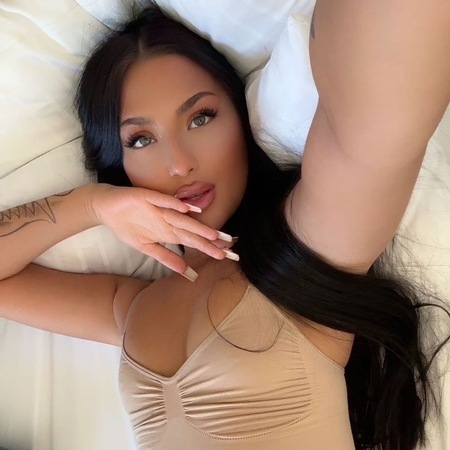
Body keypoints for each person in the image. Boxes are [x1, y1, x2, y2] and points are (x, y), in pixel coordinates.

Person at [1, 1, 449, 449]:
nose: (179, 164)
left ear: (241, 121)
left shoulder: (310, 248)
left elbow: (376, 117)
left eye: (201, 117)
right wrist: (92, 204)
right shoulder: (135, 306)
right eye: (140, 139)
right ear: (121, 165)